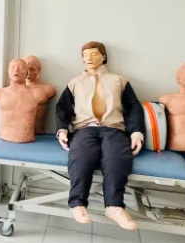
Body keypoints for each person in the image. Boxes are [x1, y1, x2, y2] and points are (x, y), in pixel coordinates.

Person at [55, 41, 144, 229]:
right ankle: (77, 203)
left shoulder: (120, 80)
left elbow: (133, 107)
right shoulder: (74, 82)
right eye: (85, 55)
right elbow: (62, 108)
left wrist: (136, 133)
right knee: (81, 156)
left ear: (103, 56)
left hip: (113, 128)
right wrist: (62, 130)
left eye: (94, 54)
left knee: (116, 157)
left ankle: (114, 206)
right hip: (84, 128)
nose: (89, 58)